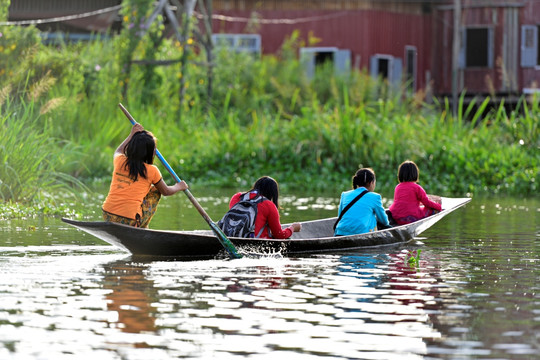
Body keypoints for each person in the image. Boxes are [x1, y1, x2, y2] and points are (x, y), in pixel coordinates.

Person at [102, 123, 188, 228]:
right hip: (130, 220)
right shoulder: (152, 170)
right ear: (151, 153)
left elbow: (118, 151)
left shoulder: (120, 160)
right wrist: (179, 186)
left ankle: (139, 221)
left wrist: (131, 135)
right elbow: (166, 191)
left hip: (107, 214)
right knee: (156, 191)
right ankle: (143, 227)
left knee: (146, 190)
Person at [225, 176, 301, 239]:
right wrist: (292, 228)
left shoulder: (237, 197)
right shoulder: (269, 205)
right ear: (273, 193)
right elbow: (279, 235)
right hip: (257, 243)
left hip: (232, 236)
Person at [334, 168, 390, 236]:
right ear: (371, 183)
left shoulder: (344, 195)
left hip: (340, 233)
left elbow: (340, 216)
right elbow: (384, 221)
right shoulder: (375, 197)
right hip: (362, 234)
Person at [389, 160, 442, 225]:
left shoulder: (397, 187)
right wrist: (438, 206)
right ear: (415, 174)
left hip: (397, 217)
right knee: (431, 209)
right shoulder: (417, 188)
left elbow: (402, 203)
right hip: (412, 218)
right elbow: (427, 203)